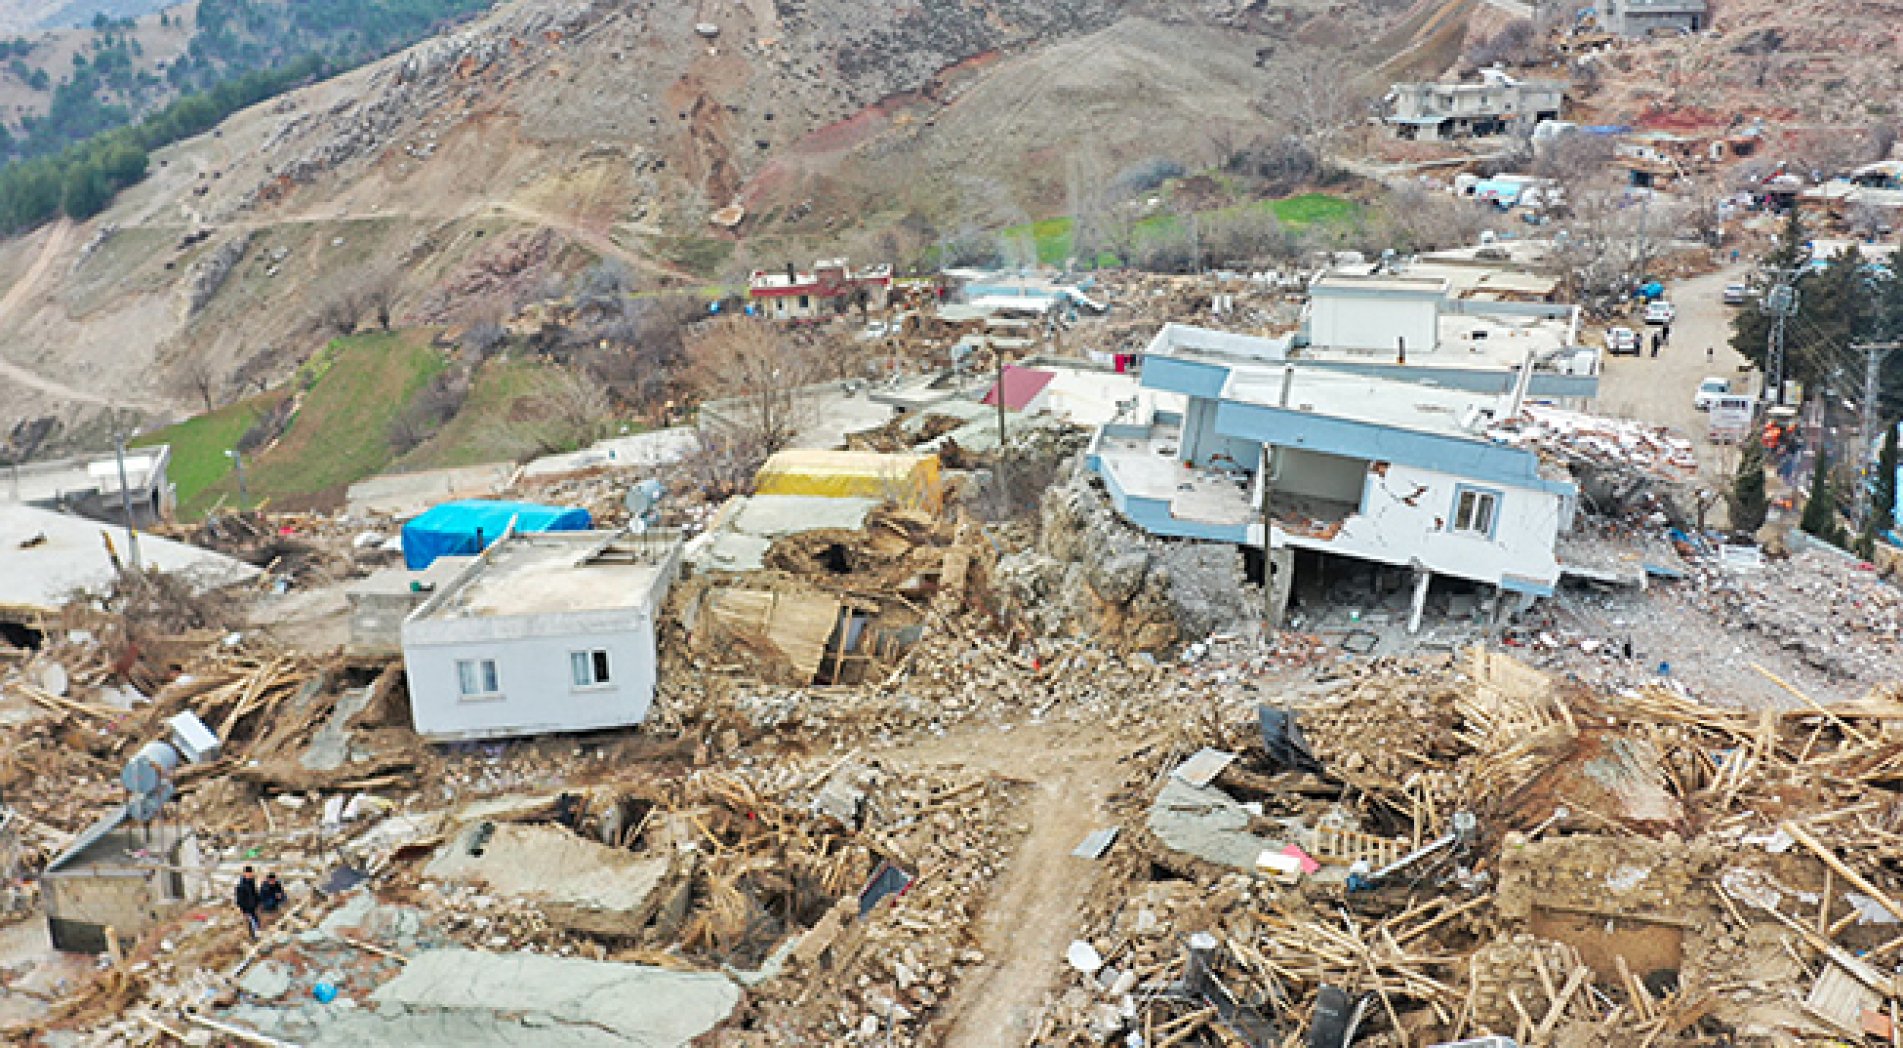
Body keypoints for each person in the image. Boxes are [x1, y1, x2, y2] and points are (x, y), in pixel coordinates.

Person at [235, 867, 261, 937]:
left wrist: (258, 902)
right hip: (247, 908)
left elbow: (255, 893)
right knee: (252, 923)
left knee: (256, 921)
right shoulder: (241, 885)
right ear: (244, 874)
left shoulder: (251, 882)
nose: (249, 875)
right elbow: (239, 900)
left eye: (250, 873)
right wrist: (243, 910)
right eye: (248, 873)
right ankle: (255, 937)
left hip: (254, 906)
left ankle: (257, 935)